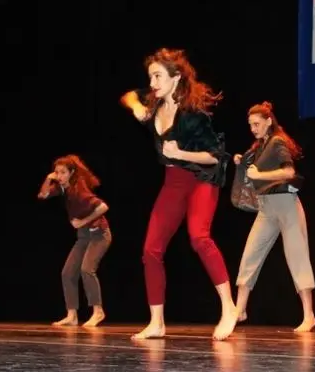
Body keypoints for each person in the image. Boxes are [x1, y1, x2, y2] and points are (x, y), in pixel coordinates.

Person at [120, 47, 237, 341]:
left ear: (176, 77)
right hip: (173, 181)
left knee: (199, 237)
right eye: (150, 77)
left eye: (158, 76)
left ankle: (229, 307)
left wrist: (181, 153)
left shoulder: (193, 114)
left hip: (201, 178)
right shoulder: (154, 102)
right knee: (151, 250)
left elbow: (215, 157)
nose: (152, 83)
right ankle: (157, 322)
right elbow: (129, 95)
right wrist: (136, 108)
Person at [233, 101, 315, 332]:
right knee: (250, 255)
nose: (253, 128)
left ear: (269, 121)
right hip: (266, 208)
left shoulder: (277, 141)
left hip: (286, 204)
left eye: (257, 124)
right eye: (250, 125)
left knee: (297, 256)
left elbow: (289, 171)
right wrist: (242, 160)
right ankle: (240, 310)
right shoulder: (260, 146)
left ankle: (309, 315)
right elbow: (254, 169)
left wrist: (260, 174)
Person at [38, 154, 112, 328]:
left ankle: (98, 311)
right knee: (68, 273)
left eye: (63, 172)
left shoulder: (79, 190)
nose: (59, 176)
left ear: (71, 173)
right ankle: (72, 315)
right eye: (57, 172)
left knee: (87, 270)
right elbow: (42, 195)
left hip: (99, 234)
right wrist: (48, 178)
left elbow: (103, 206)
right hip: (84, 236)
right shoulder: (63, 188)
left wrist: (83, 221)